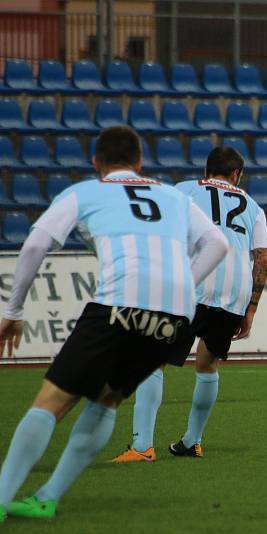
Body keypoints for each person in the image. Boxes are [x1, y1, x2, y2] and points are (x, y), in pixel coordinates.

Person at [0, 126, 228, 522]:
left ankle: (2, 497)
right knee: (107, 398)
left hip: (119, 304)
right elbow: (218, 244)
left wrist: (13, 311)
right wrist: (183, 286)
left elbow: (36, 243)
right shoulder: (173, 195)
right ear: (140, 162)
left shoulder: (86, 191)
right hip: (175, 316)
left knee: (53, 402)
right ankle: (47, 497)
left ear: (96, 164)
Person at [111, 146, 267, 462]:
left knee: (152, 359)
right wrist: (250, 308)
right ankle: (192, 440)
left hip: (190, 285)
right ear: (236, 175)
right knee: (207, 364)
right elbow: (262, 258)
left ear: (206, 170)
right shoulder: (253, 206)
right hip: (233, 293)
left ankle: (142, 446)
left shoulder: (183, 191)